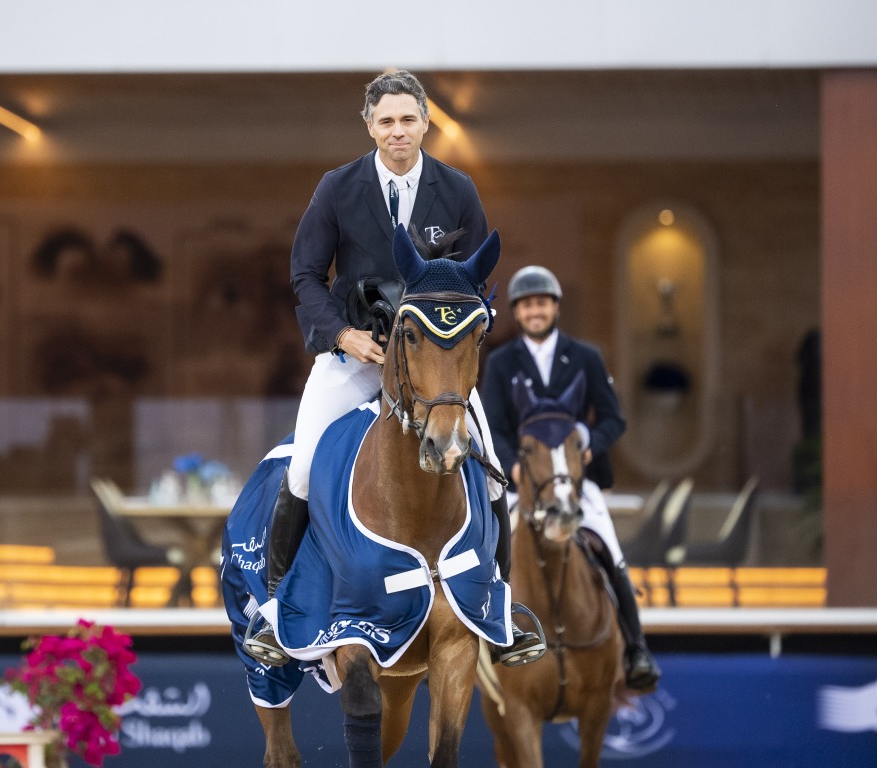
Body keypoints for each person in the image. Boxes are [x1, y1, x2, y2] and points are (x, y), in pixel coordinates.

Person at [243, 69, 543, 668]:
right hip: (360, 353)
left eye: (408, 120)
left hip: (433, 367)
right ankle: (278, 612)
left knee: (489, 471)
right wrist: (341, 334)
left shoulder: (457, 189)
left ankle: (500, 604)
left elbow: (477, 284)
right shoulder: (337, 187)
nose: (397, 131)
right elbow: (305, 273)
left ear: (426, 122)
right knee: (301, 467)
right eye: (386, 121)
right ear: (369, 126)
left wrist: (453, 345)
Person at [480, 265, 662, 691]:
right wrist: (514, 465)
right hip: (523, 481)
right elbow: (491, 425)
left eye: (541, 303)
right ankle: (483, 641)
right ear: (517, 313)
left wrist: (588, 445)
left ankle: (636, 648)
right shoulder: (501, 361)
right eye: (526, 305)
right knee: (489, 550)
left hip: (577, 481)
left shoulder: (586, 357)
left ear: (555, 307)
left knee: (610, 550)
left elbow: (614, 418)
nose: (535, 311)